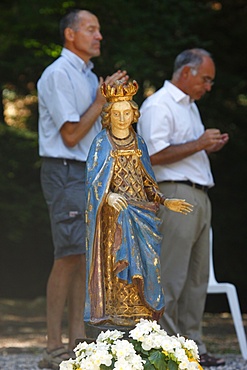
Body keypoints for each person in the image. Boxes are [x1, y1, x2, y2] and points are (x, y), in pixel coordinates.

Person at [37, 9, 129, 370]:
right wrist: (102, 100)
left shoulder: (90, 76)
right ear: (70, 35)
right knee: (68, 255)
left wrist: (111, 100)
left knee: (84, 256)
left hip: (89, 173)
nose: (99, 36)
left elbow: (95, 129)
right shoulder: (58, 74)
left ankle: (78, 340)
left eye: (100, 30)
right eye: (91, 29)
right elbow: (71, 134)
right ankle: (52, 345)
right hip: (64, 171)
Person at [137, 48, 229, 367]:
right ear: (186, 72)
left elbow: (184, 150)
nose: (208, 86)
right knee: (172, 277)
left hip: (199, 195)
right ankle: (166, 349)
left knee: (196, 279)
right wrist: (201, 144)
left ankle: (193, 346)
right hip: (175, 195)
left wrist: (205, 145)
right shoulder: (159, 105)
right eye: (206, 79)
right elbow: (152, 155)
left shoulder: (189, 107)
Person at [84, 80, 193, 330]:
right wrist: (108, 197)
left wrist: (165, 201)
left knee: (145, 265)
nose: (122, 118)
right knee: (116, 265)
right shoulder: (101, 143)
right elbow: (92, 183)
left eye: (126, 113)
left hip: (142, 214)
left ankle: (140, 316)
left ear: (134, 115)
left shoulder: (139, 143)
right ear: (108, 117)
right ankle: (114, 315)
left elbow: (147, 182)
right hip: (114, 220)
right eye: (116, 113)